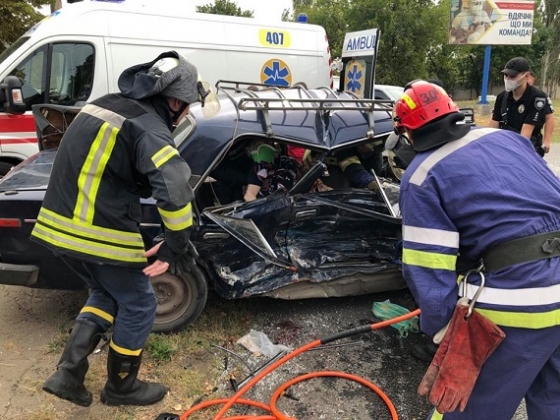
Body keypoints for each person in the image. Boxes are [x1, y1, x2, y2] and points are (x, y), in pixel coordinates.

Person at [31, 51, 217, 407]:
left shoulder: (108, 106)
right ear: (174, 100)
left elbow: (112, 166)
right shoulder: (150, 128)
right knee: (139, 302)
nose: (186, 114)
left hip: (59, 226)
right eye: (187, 107)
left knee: (106, 292)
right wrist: (175, 244)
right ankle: (121, 388)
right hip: (97, 229)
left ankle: (68, 374)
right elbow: (174, 190)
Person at [394, 80, 560, 419]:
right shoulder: (507, 138)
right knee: (554, 401)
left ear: (407, 133)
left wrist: (442, 328)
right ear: (455, 111)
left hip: (519, 302)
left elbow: (428, 266)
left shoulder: (420, 175)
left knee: (464, 408)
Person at [489, 57, 555, 157]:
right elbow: (493, 125)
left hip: (527, 147)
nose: (507, 79)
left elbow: (525, 136)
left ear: (526, 76)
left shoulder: (537, 98)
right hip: (506, 145)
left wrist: (546, 141)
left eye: (512, 76)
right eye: (506, 75)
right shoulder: (502, 97)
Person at [527, 70, 555, 154]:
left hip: (533, 139)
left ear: (532, 79)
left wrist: (546, 140)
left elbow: (549, 118)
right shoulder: (509, 95)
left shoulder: (540, 97)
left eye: (529, 78)